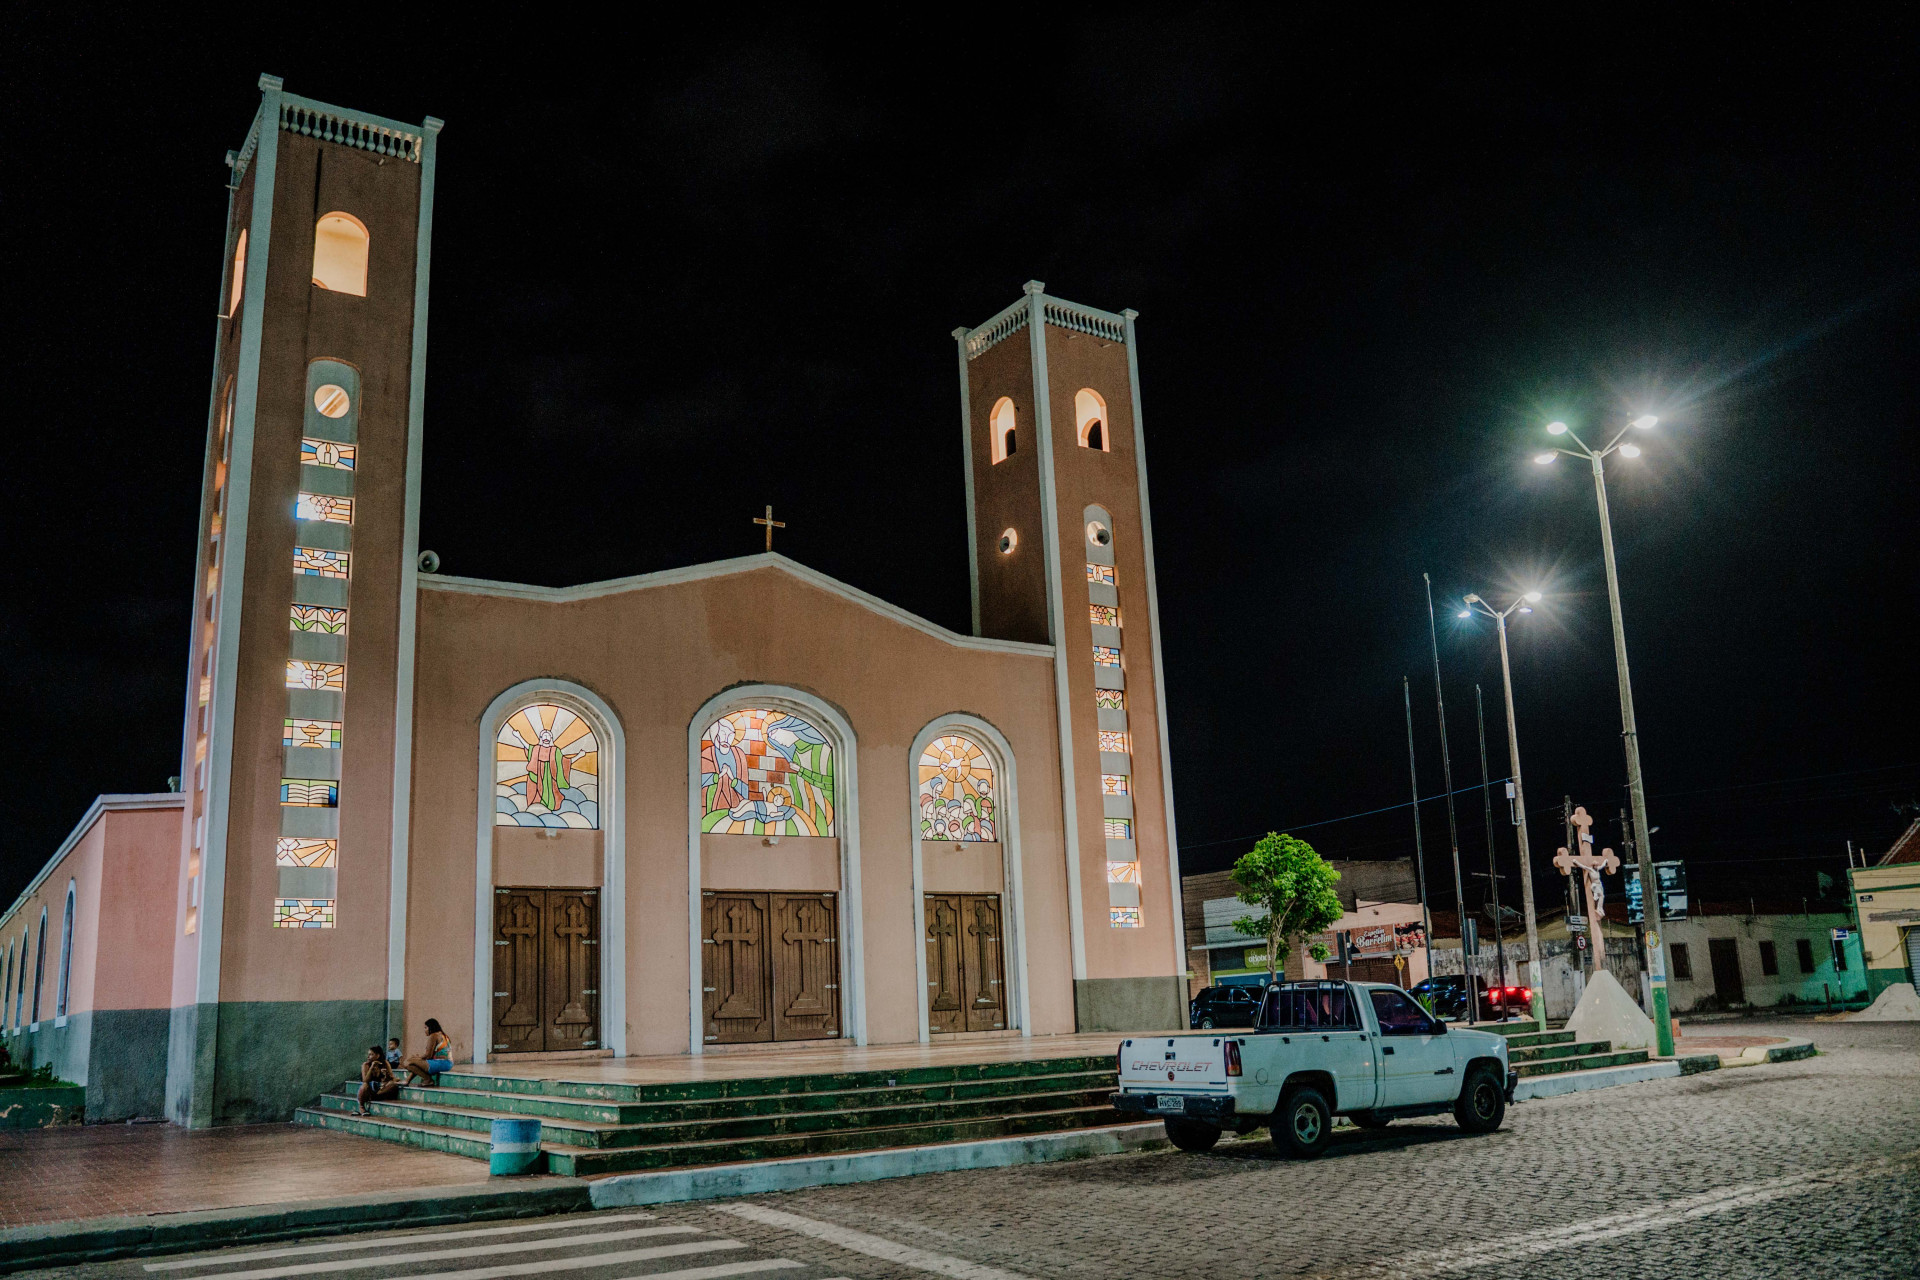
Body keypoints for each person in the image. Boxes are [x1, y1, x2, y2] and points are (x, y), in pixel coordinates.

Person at [403, 1018, 454, 1086]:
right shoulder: (444, 1035)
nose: (425, 1030)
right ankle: (407, 1081)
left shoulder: (434, 1035)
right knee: (413, 1064)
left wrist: (417, 1058)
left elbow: (428, 1056)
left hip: (440, 1063)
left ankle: (428, 1079)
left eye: (426, 1028)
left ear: (431, 1027)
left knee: (407, 1062)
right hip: (449, 1064)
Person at [357, 1046, 399, 1115]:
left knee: (393, 1084)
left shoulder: (385, 1063)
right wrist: (371, 1067)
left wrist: (386, 1074)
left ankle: (376, 1096)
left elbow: (392, 1078)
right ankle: (361, 1106)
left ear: (377, 1056)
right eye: (368, 1054)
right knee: (364, 1085)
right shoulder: (365, 1065)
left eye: (371, 1054)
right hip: (368, 1089)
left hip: (380, 1090)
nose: (368, 1057)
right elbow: (365, 1080)